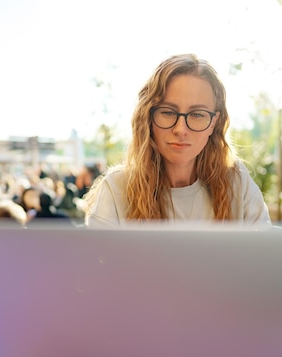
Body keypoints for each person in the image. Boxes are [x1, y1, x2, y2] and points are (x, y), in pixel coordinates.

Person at [83, 54, 270, 227]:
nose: (180, 129)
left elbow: (265, 256)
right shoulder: (116, 189)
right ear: (148, 118)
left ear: (214, 122)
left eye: (197, 114)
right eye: (168, 112)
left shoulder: (237, 182)